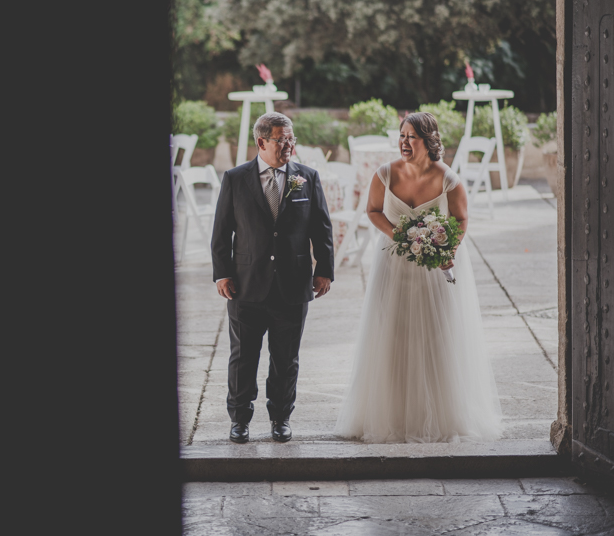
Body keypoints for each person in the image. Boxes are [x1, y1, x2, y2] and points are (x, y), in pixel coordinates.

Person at [334, 112, 502, 443]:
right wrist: (399, 235)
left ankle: (440, 414)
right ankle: (390, 414)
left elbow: (461, 220)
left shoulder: (448, 179)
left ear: (428, 141)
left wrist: (447, 249)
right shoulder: (385, 174)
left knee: (436, 335)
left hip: (433, 269)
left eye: (411, 137)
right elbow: (372, 211)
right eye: (402, 135)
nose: (404, 142)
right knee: (391, 332)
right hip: (393, 265)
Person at [211, 112, 334, 444]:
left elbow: (322, 228)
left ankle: (281, 417)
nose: (288, 145)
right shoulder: (235, 179)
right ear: (261, 141)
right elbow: (221, 232)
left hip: (293, 285)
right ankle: (239, 420)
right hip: (245, 285)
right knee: (243, 358)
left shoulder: (307, 177)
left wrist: (324, 269)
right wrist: (222, 273)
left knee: (286, 358)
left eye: (291, 139)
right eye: (282, 139)